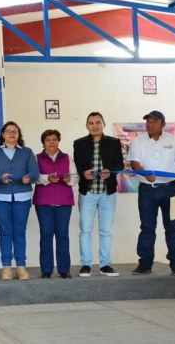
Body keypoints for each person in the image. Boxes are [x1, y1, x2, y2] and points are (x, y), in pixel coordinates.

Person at [128, 110, 175, 277]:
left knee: (172, 228)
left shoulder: (174, 141)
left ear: (163, 124)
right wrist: (143, 173)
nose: (150, 124)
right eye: (148, 121)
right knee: (147, 228)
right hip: (147, 190)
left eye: (154, 121)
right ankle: (145, 263)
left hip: (170, 189)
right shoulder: (137, 142)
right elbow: (134, 163)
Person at [73, 112, 124, 278]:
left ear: (104, 124)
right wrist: (83, 173)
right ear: (87, 126)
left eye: (98, 122)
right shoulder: (79, 144)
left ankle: (105, 264)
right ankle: (86, 264)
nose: (95, 126)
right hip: (87, 192)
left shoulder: (114, 142)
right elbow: (78, 166)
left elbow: (119, 165)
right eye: (91, 123)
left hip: (107, 192)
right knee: (85, 230)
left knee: (105, 231)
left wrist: (111, 172)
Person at [0, 121, 39, 281]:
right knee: (5, 232)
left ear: (18, 134)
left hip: (22, 197)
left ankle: (21, 267)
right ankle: (7, 268)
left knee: (19, 232)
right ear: (3, 134)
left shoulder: (27, 152)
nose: (11, 134)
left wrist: (28, 178)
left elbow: (35, 172)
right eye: (8, 131)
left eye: (15, 131)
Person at [33, 129, 79, 279]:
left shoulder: (67, 157)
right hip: (43, 202)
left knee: (63, 235)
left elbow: (75, 176)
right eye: (48, 140)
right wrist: (46, 178)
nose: (51, 142)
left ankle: (64, 269)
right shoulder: (36, 158)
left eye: (54, 139)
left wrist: (69, 180)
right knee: (46, 235)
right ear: (43, 143)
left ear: (58, 141)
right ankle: (46, 270)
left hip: (64, 201)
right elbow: (34, 176)